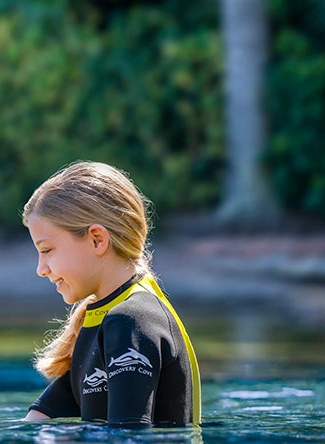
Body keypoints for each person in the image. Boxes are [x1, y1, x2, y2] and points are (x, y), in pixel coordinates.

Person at [22, 161, 200, 428]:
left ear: (97, 239)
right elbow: (34, 425)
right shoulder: (101, 319)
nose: (40, 269)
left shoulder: (131, 320)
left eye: (46, 250)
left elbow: (127, 441)